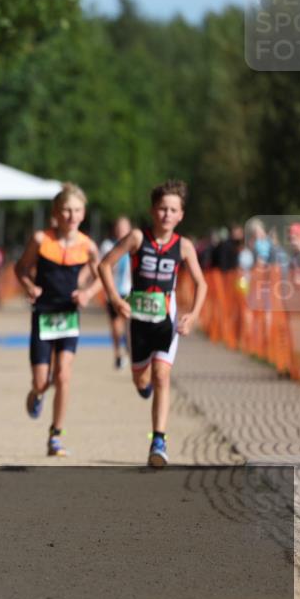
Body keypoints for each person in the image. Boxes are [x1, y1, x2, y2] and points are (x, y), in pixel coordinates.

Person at [98, 179, 207, 468]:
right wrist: (115, 299)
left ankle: (158, 440)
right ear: (152, 211)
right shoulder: (136, 238)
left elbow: (202, 283)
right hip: (139, 323)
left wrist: (192, 315)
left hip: (166, 321)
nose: (167, 215)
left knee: (162, 375)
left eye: (173, 210)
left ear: (181, 215)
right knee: (142, 380)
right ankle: (142, 384)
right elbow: (104, 265)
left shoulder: (183, 246)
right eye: (162, 209)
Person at [14, 184, 100, 457]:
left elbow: (101, 276)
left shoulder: (88, 246)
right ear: (56, 212)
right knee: (42, 381)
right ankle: (35, 393)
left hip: (69, 316)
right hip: (44, 314)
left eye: (76, 210)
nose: (71, 216)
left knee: (63, 375)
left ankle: (55, 435)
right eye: (66, 210)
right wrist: (29, 286)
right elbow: (21, 268)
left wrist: (87, 292)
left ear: (83, 213)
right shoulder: (41, 240)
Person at [99, 217, 133, 369]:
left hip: (129, 291)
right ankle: (118, 353)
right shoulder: (107, 246)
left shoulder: (135, 245)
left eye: (124, 228)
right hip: (113, 292)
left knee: (129, 325)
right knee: (115, 326)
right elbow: (101, 267)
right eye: (119, 227)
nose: (121, 231)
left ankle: (130, 352)